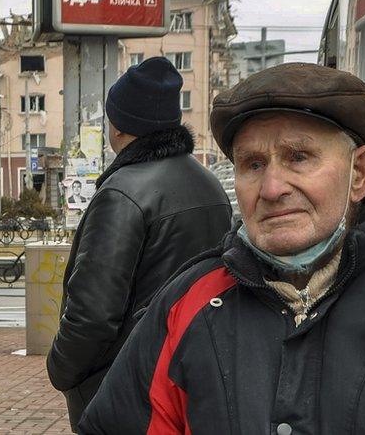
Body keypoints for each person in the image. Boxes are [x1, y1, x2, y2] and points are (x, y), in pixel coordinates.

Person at [79, 63, 365, 434]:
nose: (272, 188)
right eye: (253, 164)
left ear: (360, 172)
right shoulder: (186, 302)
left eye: (298, 157)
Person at [47, 56, 232, 430]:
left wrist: (61, 370)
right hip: (194, 372)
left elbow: (93, 314)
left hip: (125, 385)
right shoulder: (210, 185)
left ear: (118, 126)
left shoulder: (122, 193)